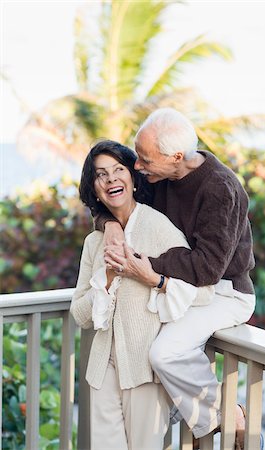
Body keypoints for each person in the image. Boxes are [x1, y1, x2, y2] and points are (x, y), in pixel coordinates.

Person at [100, 108, 261, 449]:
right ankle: (200, 415)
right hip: (178, 287)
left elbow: (207, 268)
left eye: (144, 160)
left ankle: (231, 416)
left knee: (164, 354)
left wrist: (148, 267)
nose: (137, 167)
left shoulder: (221, 189)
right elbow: (112, 197)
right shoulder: (159, 176)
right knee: (138, 343)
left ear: (175, 156)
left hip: (224, 294)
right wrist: (110, 225)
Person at [70, 139, 216, 450]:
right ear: (94, 188)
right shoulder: (94, 242)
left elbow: (203, 294)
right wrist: (107, 275)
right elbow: (80, 315)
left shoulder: (159, 227)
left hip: (144, 371)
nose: (111, 180)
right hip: (101, 370)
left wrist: (154, 279)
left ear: (133, 178)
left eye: (118, 170)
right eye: (101, 175)